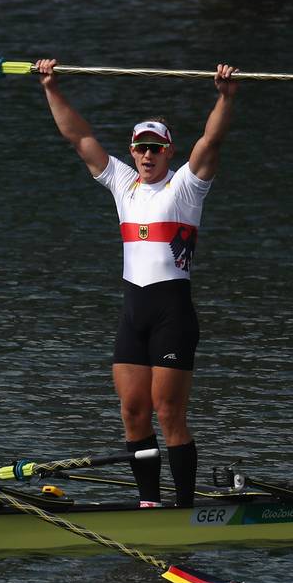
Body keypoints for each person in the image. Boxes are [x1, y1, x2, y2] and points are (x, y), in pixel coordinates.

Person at [35, 57, 239, 507]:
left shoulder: (186, 186)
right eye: (140, 148)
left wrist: (224, 97)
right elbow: (79, 137)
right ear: (132, 152)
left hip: (173, 313)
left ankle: (184, 506)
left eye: (155, 148)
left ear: (169, 151)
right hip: (134, 312)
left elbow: (212, 139)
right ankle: (149, 502)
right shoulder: (122, 184)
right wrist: (51, 86)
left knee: (169, 414)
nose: (147, 156)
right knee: (133, 413)